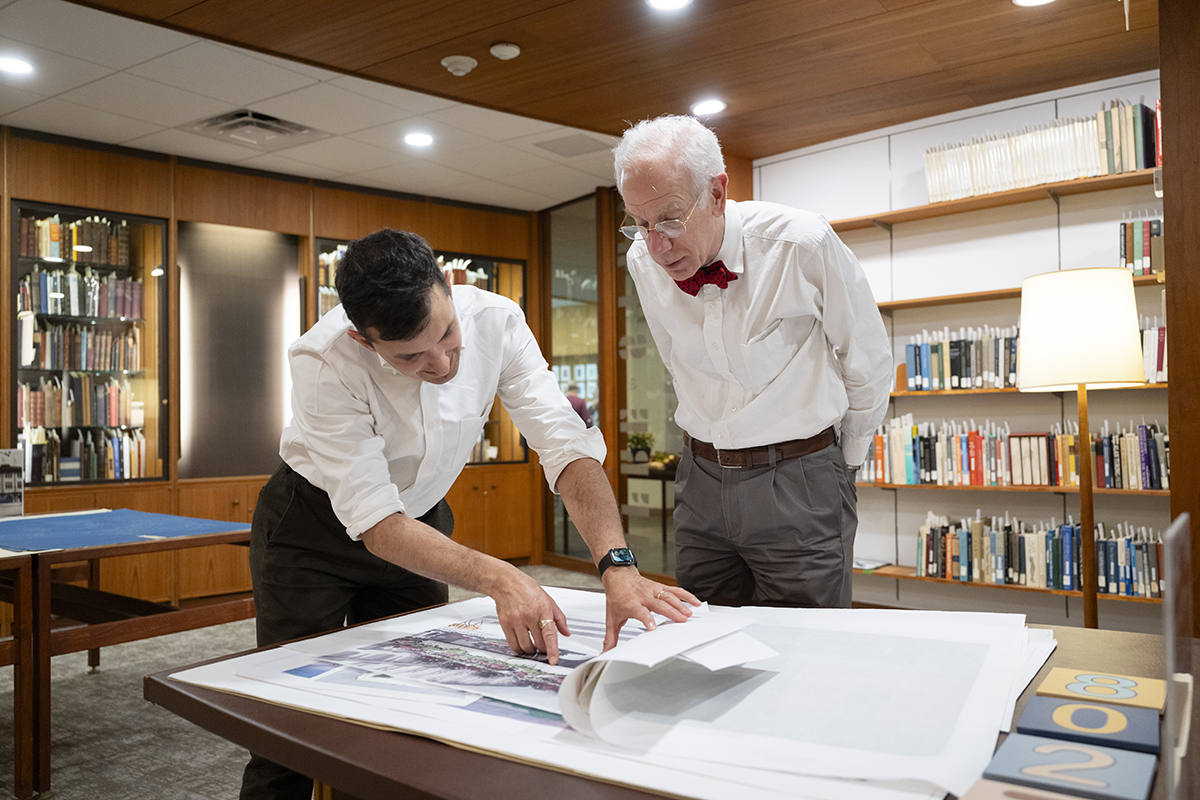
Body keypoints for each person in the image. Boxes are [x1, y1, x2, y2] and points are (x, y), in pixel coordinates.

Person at [241, 228, 698, 800]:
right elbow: (377, 522)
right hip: (311, 532)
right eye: (410, 356)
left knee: (414, 709)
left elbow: (566, 446)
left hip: (421, 525)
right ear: (364, 340)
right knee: (291, 721)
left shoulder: (499, 321)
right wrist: (502, 578)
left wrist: (618, 563)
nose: (441, 362)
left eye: (447, 334)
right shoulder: (322, 359)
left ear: (450, 289)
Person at [612, 115, 892, 610]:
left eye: (671, 219)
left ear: (717, 194)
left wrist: (842, 465)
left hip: (799, 477)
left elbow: (867, 360)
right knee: (701, 645)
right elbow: (674, 359)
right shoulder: (643, 260)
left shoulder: (800, 244)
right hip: (700, 480)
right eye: (640, 223)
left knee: (803, 654)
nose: (657, 245)